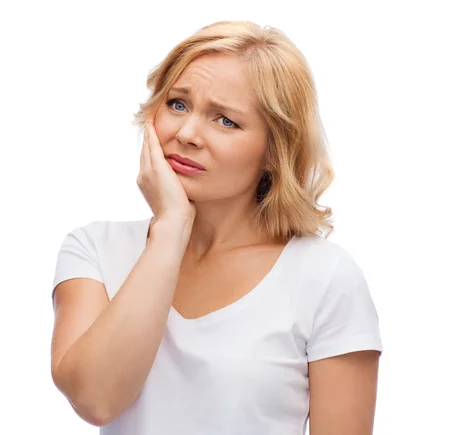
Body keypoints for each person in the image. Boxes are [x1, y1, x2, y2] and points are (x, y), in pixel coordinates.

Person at [49, 20, 383, 435]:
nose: (187, 134)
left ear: (274, 151)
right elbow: (96, 399)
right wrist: (171, 228)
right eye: (177, 104)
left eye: (225, 120)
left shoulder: (325, 277)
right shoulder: (95, 250)